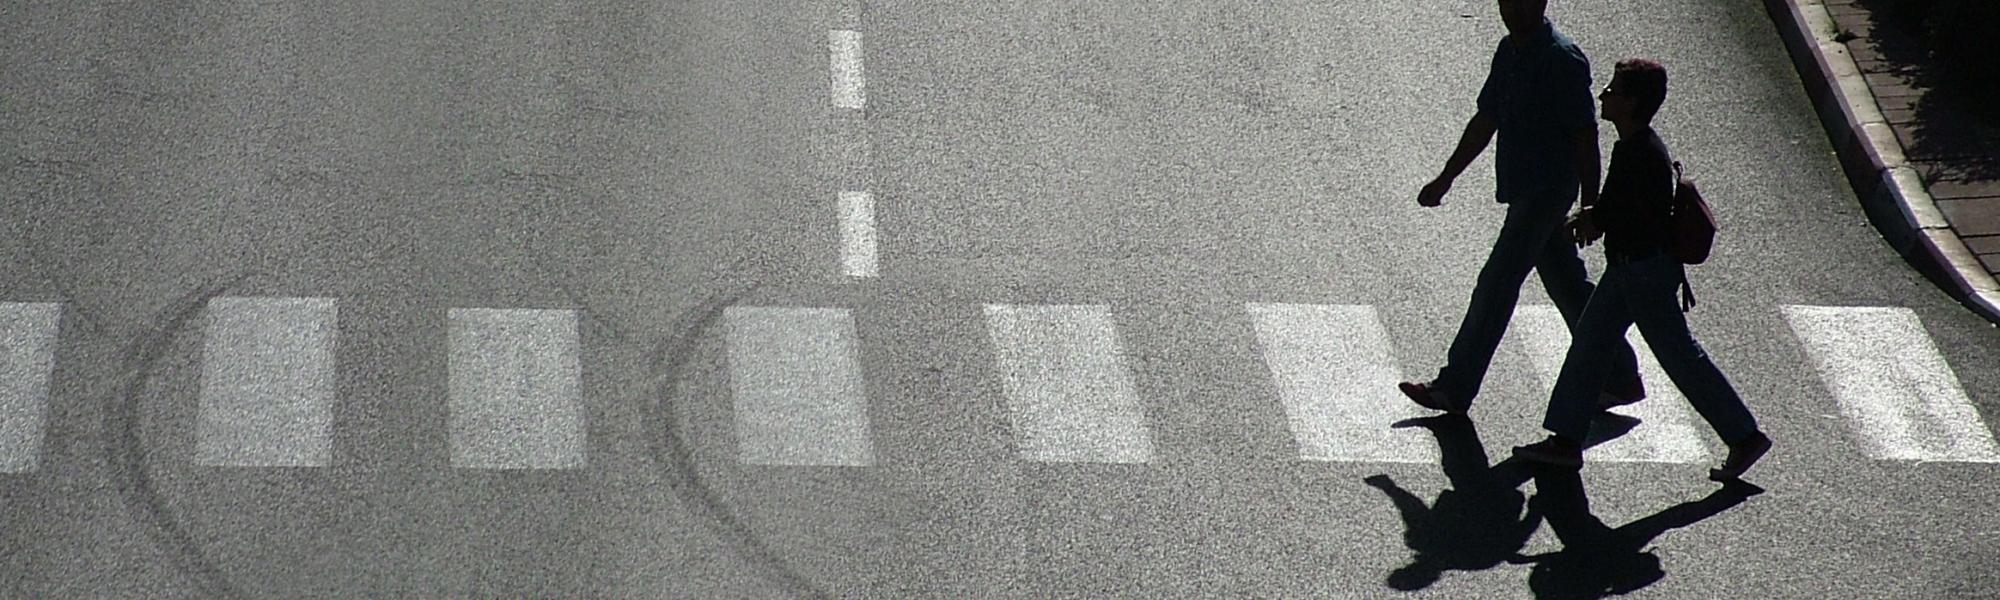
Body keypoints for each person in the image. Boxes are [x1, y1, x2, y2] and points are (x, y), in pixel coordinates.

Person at [1511, 59, 1772, 481]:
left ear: (1631, 102)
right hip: (1630, 270)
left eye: (1612, 90)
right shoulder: (1638, 146)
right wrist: (1594, 218)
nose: (1603, 96)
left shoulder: (1638, 152)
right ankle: (1565, 441)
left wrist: (1593, 220)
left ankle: (1744, 435)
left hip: (1642, 272)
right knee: (1590, 347)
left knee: (1679, 357)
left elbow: (1630, 213)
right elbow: (1623, 208)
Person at [1400, 0, 1644, 414]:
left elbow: (1586, 135)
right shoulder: (1509, 51)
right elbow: (1486, 118)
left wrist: (1590, 204)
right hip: (1523, 190)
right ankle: (1620, 374)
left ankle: (1455, 387)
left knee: (1495, 285)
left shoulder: (1561, 60)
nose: (1511, 9)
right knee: (1568, 286)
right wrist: (1446, 177)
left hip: (1546, 195)